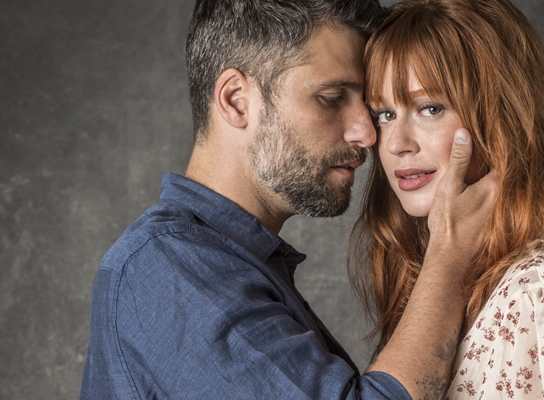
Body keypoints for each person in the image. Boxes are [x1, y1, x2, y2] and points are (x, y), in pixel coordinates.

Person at [79, 0, 498, 399]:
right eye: (332, 99)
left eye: (370, 109)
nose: (367, 135)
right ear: (236, 101)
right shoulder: (167, 270)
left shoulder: (237, 262)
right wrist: (449, 253)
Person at [351, 0, 544, 398]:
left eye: (429, 108)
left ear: (502, 114)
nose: (397, 145)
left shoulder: (535, 293)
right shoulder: (464, 275)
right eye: (384, 114)